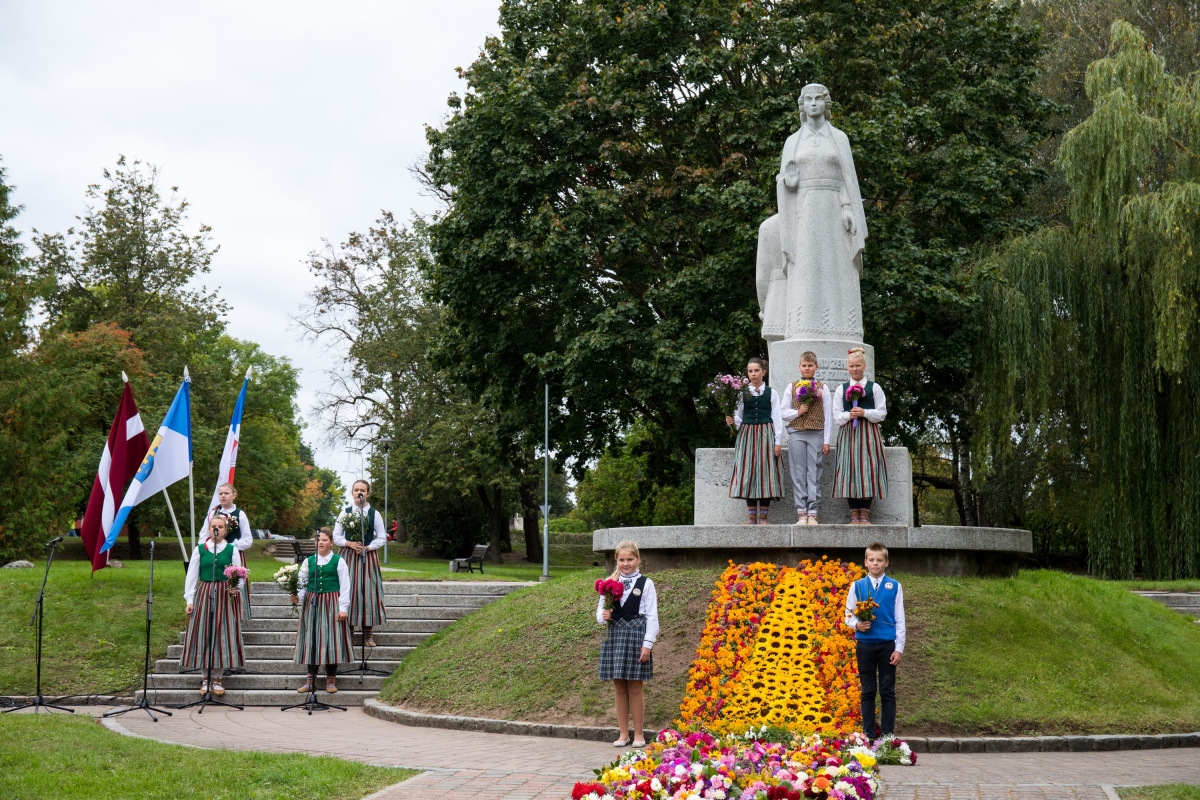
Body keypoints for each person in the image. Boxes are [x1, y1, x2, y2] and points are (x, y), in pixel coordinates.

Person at [756, 83, 868, 342]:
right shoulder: (792, 142)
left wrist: (847, 207)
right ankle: (805, 325)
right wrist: (789, 184)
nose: (814, 103)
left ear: (826, 104)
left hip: (832, 209)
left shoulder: (839, 138)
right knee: (806, 266)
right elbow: (784, 182)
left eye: (819, 99)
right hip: (804, 211)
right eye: (809, 100)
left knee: (836, 266)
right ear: (802, 105)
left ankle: (842, 327)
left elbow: (846, 180)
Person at [596, 540, 658, 749]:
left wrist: (647, 644)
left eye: (630, 559)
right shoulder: (609, 582)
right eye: (621, 559)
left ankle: (639, 734)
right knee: (619, 687)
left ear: (638, 559)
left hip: (636, 636)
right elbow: (599, 614)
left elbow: (652, 616)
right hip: (614, 636)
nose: (625, 563)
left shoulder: (646, 583)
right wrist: (602, 616)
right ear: (616, 560)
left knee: (635, 687)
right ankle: (623, 734)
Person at [844, 542, 905, 739]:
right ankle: (869, 736)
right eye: (872, 560)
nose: (875, 563)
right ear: (865, 563)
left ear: (886, 562)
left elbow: (899, 619)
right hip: (865, 645)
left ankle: (887, 737)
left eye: (879, 560)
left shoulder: (895, 586)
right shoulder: (857, 586)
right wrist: (856, 624)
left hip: (887, 645)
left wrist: (899, 648)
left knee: (887, 691)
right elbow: (848, 614)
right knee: (868, 691)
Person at [181, 514, 246, 696]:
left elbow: (238, 572)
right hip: (205, 592)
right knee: (204, 633)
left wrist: (235, 588)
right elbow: (192, 576)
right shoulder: (200, 549)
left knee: (221, 634)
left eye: (220, 526)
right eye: (213, 526)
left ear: (225, 530)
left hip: (225, 594)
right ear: (209, 529)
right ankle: (205, 678)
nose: (216, 529)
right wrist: (190, 600)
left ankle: (218, 679)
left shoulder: (231, 549)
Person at [291, 529, 353, 693]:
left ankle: (331, 680)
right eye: (318, 540)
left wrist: (343, 608)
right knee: (312, 640)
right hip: (312, 603)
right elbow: (302, 584)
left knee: (331, 640)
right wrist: (298, 597)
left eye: (324, 540)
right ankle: (310, 680)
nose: (320, 542)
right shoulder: (308, 561)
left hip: (332, 602)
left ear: (331, 542)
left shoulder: (338, 561)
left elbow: (345, 586)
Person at [725, 357, 786, 524]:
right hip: (747, 434)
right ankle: (752, 517)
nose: (753, 374)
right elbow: (739, 415)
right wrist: (733, 422)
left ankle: (764, 517)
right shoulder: (742, 392)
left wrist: (778, 441)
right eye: (750, 371)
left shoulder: (771, 393)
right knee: (749, 472)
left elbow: (777, 418)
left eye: (756, 370)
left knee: (765, 473)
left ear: (763, 372)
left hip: (766, 434)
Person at [831, 348, 888, 524]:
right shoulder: (842, 389)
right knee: (851, 469)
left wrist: (864, 412)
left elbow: (882, 413)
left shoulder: (874, 387)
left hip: (869, 432)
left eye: (858, 365)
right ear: (847, 367)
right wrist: (849, 415)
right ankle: (853, 514)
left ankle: (865, 513)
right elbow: (836, 415)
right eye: (851, 366)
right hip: (849, 432)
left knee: (868, 470)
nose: (855, 369)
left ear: (864, 366)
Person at [332, 480, 388, 647]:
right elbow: (336, 536)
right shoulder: (345, 512)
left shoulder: (374, 514)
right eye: (356, 490)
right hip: (348, 556)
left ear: (368, 493)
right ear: (352, 492)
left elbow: (382, 537)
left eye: (362, 490)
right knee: (348, 591)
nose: (359, 493)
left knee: (368, 592)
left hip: (367, 556)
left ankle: (368, 635)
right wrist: (350, 544)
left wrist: (368, 547)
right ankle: (348, 633)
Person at [781, 352, 833, 524]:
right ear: (799, 366)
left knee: (814, 472)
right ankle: (801, 512)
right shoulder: (792, 386)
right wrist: (798, 412)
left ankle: (813, 511)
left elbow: (828, 415)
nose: (807, 368)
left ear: (816, 367)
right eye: (804, 365)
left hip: (816, 433)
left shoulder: (822, 388)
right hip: (797, 433)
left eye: (810, 365)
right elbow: (783, 412)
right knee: (798, 472)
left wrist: (827, 440)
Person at [201, 483, 254, 620]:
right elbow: (204, 534)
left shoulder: (240, 514)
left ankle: (234, 616)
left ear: (234, 495)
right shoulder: (214, 513)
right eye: (221, 494)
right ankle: (214, 612)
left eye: (226, 493)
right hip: (214, 553)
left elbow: (247, 539)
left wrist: (232, 546)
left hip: (234, 553)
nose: (223, 496)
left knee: (234, 583)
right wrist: (205, 549)